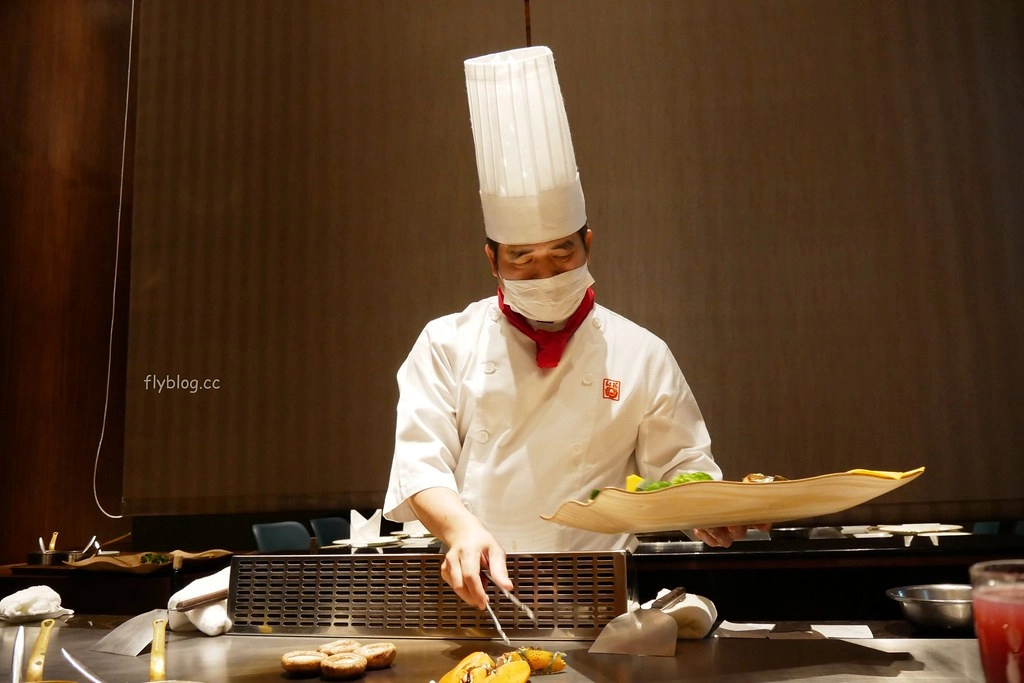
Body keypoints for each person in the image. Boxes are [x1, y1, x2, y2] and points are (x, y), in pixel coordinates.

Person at [383, 46, 765, 611]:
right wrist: (462, 530)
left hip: (594, 599)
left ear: (587, 246)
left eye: (561, 254)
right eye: (522, 259)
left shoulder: (641, 353)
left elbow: (680, 469)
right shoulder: (446, 343)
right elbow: (420, 464)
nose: (544, 273)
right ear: (492, 260)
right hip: (468, 593)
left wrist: (708, 512)